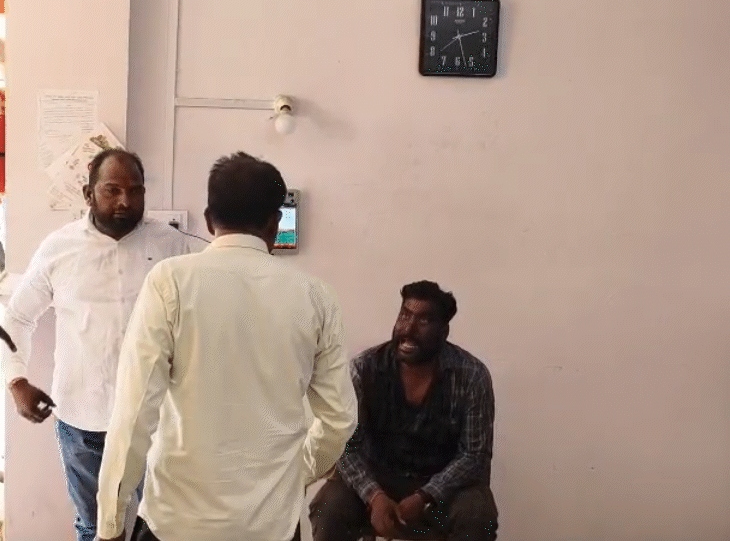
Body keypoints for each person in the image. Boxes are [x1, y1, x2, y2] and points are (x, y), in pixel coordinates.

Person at [95, 152, 358, 541]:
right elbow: (339, 419)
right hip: (272, 525)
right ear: (275, 223)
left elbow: (134, 414)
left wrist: (111, 523)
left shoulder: (170, 283)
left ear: (208, 220)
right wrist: (298, 472)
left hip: (176, 522)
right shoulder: (315, 297)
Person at [1, 149, 191, 541]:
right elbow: (17, 317)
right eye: (112, 190)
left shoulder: (171, 246)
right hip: (83, 419)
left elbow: (194, 323)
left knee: (162, 527)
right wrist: (16, 381)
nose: (125, 200)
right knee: (94, 526)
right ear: (89, 194)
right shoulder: (59, 248)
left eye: (135, 190)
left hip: (155, 419)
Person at [310, 280, 499, 541]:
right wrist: (374, 496)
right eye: (404, 316)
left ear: (444, 331)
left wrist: (425, 495)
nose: (408, 329)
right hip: (377, 480)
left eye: (424, 321)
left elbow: (474, 455)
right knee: (328, 508)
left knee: (478, 514)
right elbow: (344, 444)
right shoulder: (364, 369)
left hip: (442, 486)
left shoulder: (472, 376)